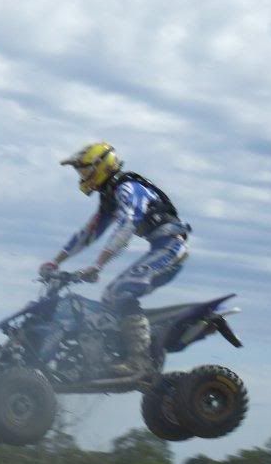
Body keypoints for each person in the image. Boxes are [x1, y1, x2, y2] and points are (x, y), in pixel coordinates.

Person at [39, 142, 191, 378]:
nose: (83, 176)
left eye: (85, 170)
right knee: (110, 296)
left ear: (102, 166)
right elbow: (88, 233)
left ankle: (139, 362)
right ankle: (115, 353)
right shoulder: (110, 196)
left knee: (121, 290)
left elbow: (127, 226)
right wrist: (55, 262)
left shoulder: (127, 188)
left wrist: (98, 265)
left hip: (171, 246)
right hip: (162, 245)